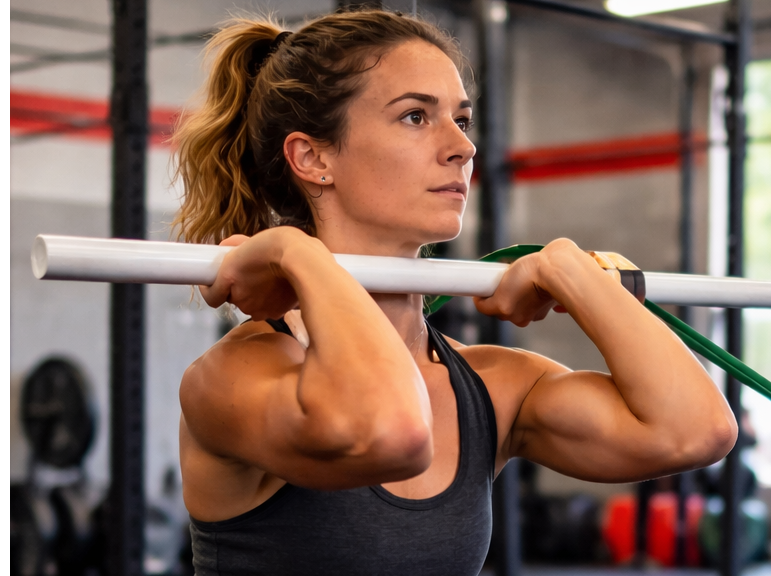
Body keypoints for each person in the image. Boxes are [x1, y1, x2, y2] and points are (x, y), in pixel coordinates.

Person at [172, 9, 738, 575]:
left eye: (461, 119)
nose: (462, 147)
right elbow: (389, 430)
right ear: (313, 158)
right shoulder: (235, 377)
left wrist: (576, 276)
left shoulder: (492, 386)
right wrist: (294, 253)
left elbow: (694, 432)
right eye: (416, 116)